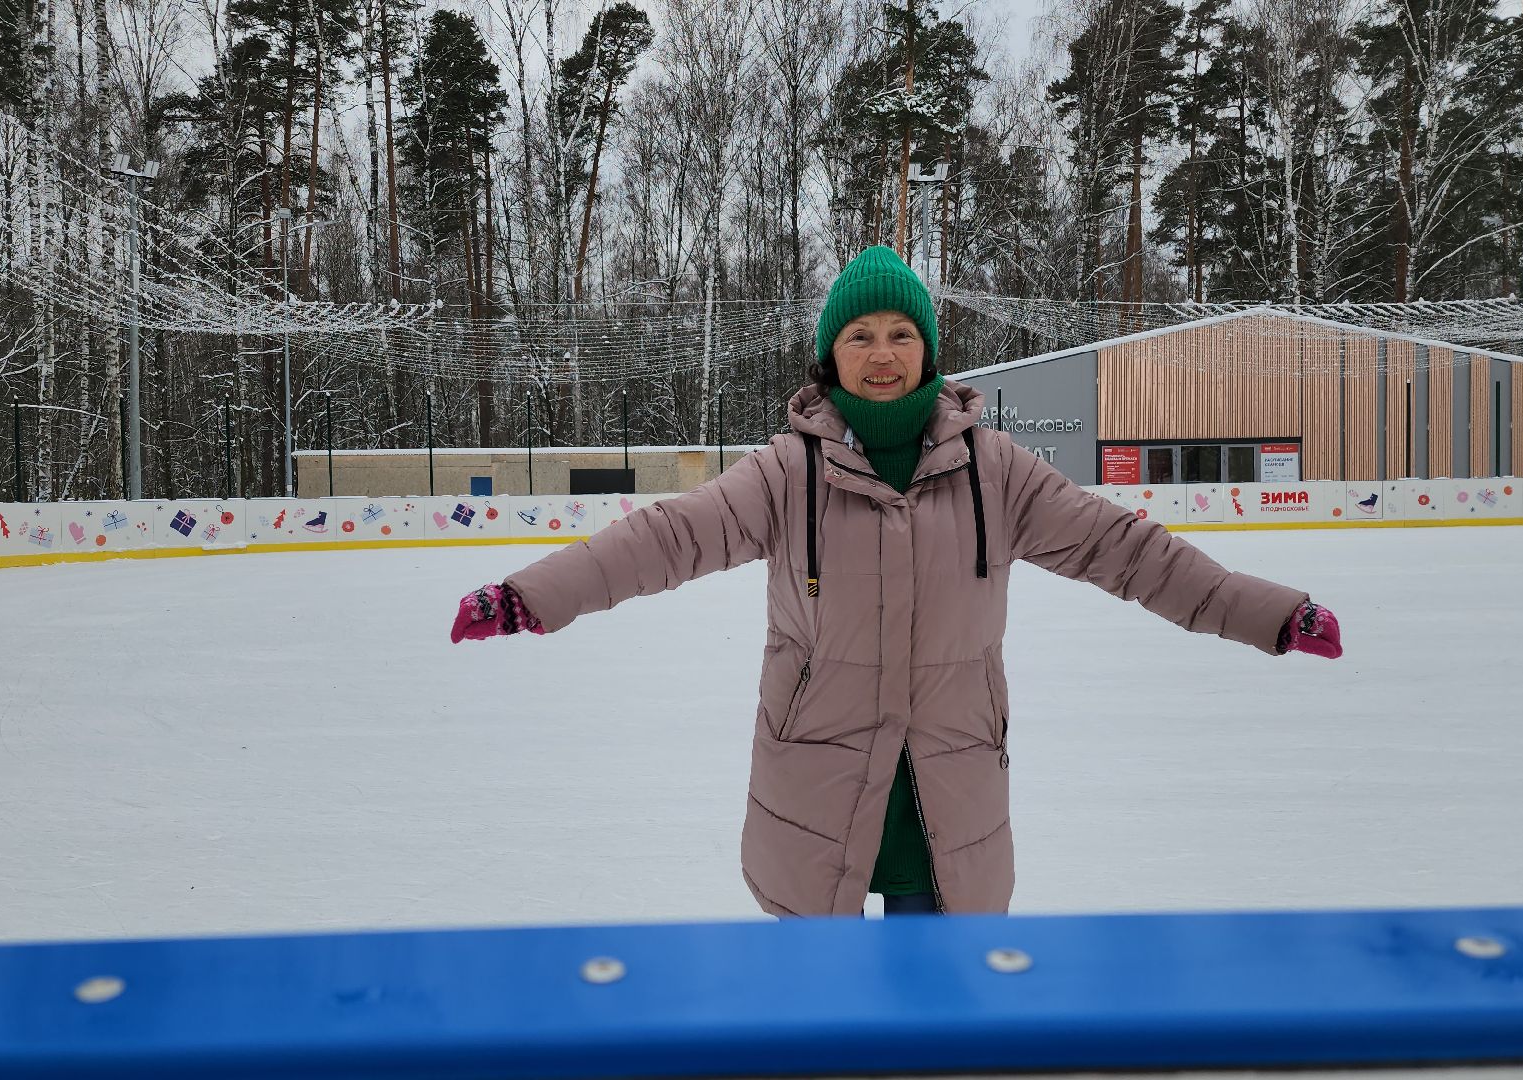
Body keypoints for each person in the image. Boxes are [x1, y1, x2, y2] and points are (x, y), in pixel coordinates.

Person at [450, 246, 1343, 918]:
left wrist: (1270, 613)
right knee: (822, 1028)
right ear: (829, 355)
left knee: (939, 1019)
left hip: (946, 785)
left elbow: (1131, 552)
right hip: (818, 775)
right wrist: (531, 596)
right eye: (861, 335)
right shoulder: (784, 473)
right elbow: (666, 537)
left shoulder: (999, 472)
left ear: (930, 349)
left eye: (902, 334)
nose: (883, 354)